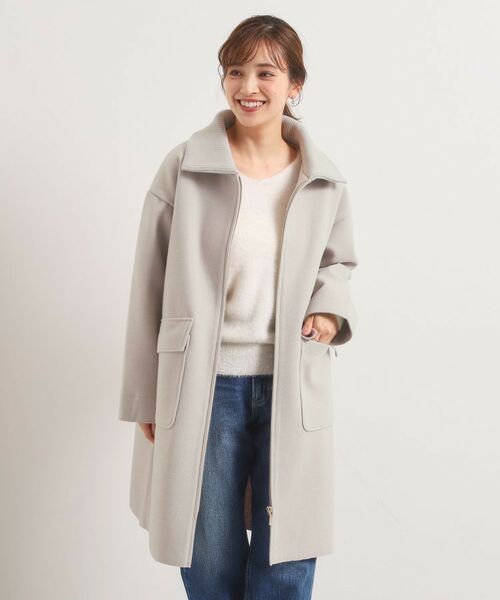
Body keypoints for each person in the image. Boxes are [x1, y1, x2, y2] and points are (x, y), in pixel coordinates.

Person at [119, 14, 357, 600]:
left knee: (288, 548)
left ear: (295, 84)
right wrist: (145, 395)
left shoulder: (323, 179)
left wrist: (329, 311)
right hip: (204, 382)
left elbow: (338, 264)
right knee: (208, 546)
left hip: (292, 381)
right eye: (235, 71)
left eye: (265, 72)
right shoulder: (184, 166)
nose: (248, 86)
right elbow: (148, 282)